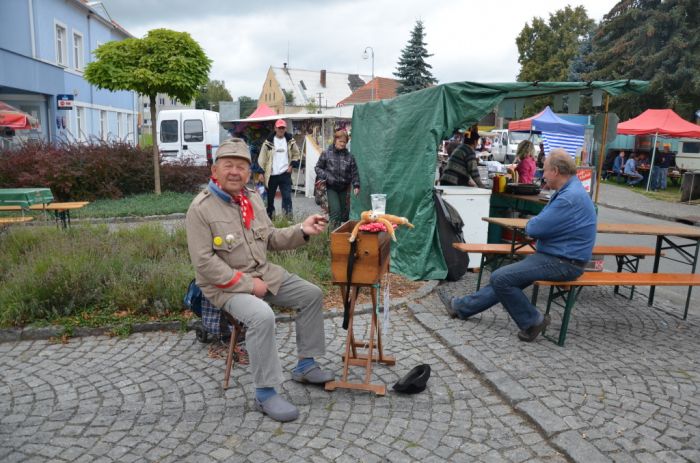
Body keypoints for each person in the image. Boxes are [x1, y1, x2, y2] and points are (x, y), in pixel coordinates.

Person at [185, 139, 332, 422]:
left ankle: (306, 364)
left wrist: (302, 229)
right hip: (224, 286)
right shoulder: (201, 208)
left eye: (241, 167)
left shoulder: (251, 198)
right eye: (228, 165)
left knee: (311, 294)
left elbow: (271, 239)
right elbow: (204, 264)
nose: (235, 172)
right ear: (215, 170)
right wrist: (248, 285)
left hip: (263, 272)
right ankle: (265, 393)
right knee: (262, 316)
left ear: (249, 173)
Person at [439, 149, 597, 342]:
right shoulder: (571, 190)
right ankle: (461, 307)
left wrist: (535, 224)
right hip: (562, 257)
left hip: (563, 262)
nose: (543, 174)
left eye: (545, 170)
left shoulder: (568, 197)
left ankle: (532, 321)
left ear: (555, 171)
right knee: (506, 278)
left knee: (500, 277)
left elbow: (534, 228)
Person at [314, 130, 360, 228]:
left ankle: (336, 236)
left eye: (344, 142)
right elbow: (317, 168)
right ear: (335, 140)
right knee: (335, 212)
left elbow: (354, 172)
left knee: (343, 215)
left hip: (344, 188)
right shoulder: (326, 153)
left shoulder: (350, 157)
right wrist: (326, 176)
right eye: (340, 141)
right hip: (331, 187)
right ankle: (333, 239)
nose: (342, 144)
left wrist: (356, 185)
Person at [258, 119, 301, 218]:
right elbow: (262, 158)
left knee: (287, 198)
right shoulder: (268, 142)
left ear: (285, 128)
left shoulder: (290, 141)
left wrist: (291, 166)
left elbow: (296, 154)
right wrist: (261, 172)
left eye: (283, 128)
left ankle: (288, 219)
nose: (281, 130)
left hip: (285, 173)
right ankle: (270, 218)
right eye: (279, 128)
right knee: (270, 199)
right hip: (271, 175)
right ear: (275, 128)